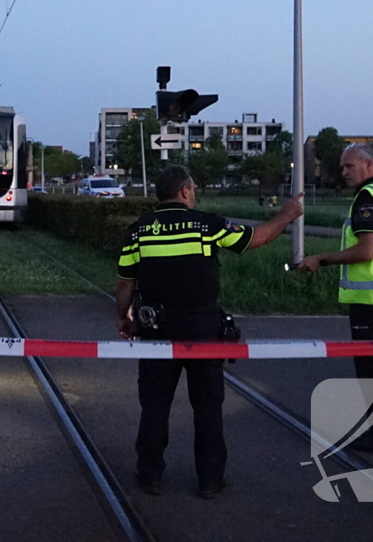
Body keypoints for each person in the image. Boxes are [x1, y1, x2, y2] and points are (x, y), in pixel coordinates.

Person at [115, 165, 304, 499]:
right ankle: (210, 480)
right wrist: (287, 214)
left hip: (156, 330)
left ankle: (150, 475)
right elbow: (256, 238)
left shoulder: (138, 231)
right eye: (194, 189)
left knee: (155, 404)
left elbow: (125, 283)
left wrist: (124, 318)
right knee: (207, 406)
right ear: (185, 191)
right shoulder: (206, 224)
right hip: (202, 330)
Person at [296, 143, 373, 455]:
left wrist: (322, 258)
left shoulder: (368, 198)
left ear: (370, 165)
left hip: (372, 297)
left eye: (350, 166)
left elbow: (366, 250)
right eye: (342, 167)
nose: (344, 172)